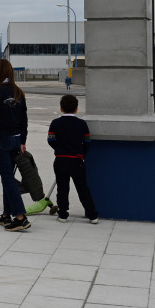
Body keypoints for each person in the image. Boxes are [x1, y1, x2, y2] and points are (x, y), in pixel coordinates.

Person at [0, 58, 31, 231]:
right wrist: (23, 140)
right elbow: (24, 119)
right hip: (16, 139)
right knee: (8, 176)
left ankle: (20, 216)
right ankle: (6, 214)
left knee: (7, 178)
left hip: (1, 140)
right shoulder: (18, 91)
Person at [47, 95, 99, 223]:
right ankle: (92, 215)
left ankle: (63, 214)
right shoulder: (82, 124)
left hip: (60, 160)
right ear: (76, 109)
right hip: (77, 160)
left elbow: (50, 140)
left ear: (61, 108)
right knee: (82, 188)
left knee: (62, 188)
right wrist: (81, 154)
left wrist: (59, 149)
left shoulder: (55, 123)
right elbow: (87, 142)